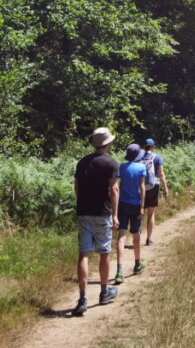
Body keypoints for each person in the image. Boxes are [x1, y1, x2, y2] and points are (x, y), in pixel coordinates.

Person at [73, 127, 120, 316]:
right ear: (108, 143)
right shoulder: (112, 164)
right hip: (103, 213)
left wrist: (83, 202)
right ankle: (103, 292)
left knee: (84, 254)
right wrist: (115, 215)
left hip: (84, 212)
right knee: (104, 252)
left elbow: (76, 188)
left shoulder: (82, 162)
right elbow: (114, 190)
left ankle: (83, 298)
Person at [114, 143, 148, 283]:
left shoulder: (122, 166)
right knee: (136, 235)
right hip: (135, 205)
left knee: (122, 236)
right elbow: (142, 187)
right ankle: (137, 264)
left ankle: (119, 271)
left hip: (122, 204)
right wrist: (142, 207)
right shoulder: (141, 167)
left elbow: (119, 185)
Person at [138, 137, 169, 246]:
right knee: (151, 214)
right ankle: (149, 239)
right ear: (153, 147)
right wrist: (165, 188)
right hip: (153, 186)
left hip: (140, 187)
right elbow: (161, 174)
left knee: (140, 212)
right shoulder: (157, 158)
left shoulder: (139, 157)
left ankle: (137, 238)